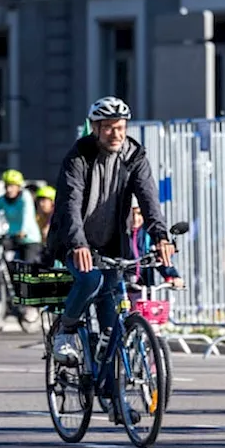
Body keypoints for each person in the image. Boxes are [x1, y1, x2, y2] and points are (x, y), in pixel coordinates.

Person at [48, 97, 173, 367]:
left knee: (111, 323)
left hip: (112, 245)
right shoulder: (78, 156)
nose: (115, 134)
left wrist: (162, 236)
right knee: (90, 280)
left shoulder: (134, 156)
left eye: (120, 127)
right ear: (94, 127)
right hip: (74, 242)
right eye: (107, 127)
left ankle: (115, 399)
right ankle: (66, 331)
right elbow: (69, 204)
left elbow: (149, 200)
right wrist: (78, 243)